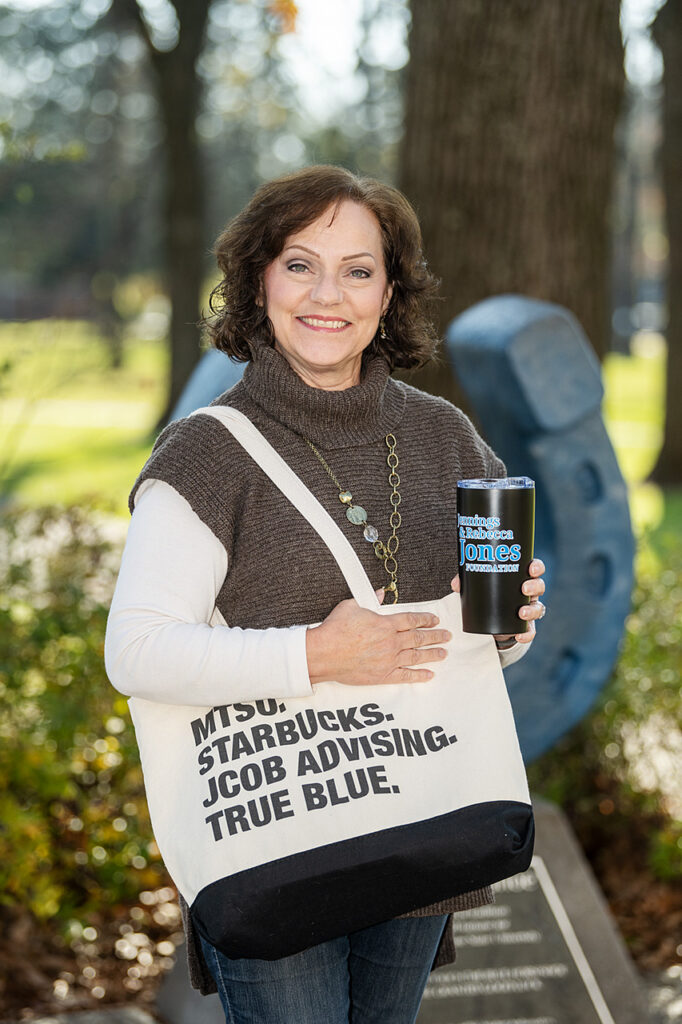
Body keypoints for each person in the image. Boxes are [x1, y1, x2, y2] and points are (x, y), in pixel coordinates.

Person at [105, 165, 546, 1024]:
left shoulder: (443, 435)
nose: (327, 295)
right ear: (258, 279)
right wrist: (318, 654)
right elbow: (137, 652)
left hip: (419, 819)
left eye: (358, 269)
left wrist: (509, 623)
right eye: (300, 264)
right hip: (280, 842)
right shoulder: (206, 455)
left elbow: (484, 632)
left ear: (390, 293)